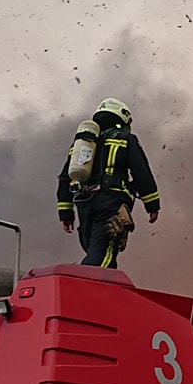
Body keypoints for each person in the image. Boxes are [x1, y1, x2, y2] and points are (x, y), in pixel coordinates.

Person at [55, 97, 161, 270]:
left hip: (83, 204)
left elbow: (65, 177)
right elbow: (141, 171)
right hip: (110, 204)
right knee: (102, 255)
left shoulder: (83, 145)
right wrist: (152, 204)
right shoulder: (126, 139)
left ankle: (96, 288)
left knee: (94, 250)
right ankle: (84, 290)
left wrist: (65, 213)